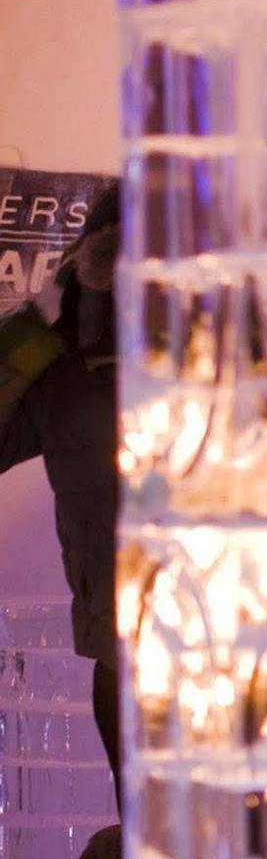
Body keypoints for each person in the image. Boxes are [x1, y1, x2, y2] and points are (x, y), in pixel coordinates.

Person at [0, 183, 123, 809]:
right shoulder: (65, 377)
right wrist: (37, 320)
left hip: (239, 652)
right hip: (122, 655)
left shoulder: (231, 362)